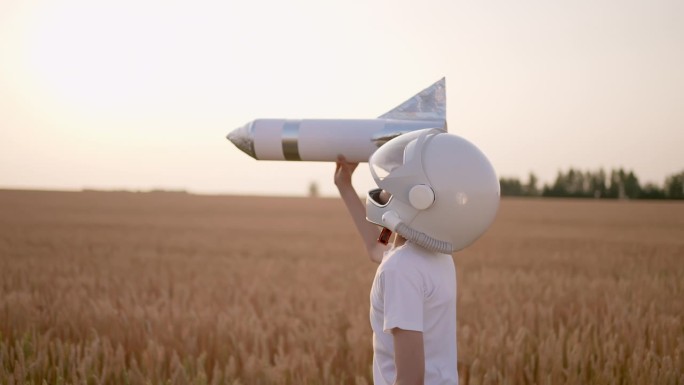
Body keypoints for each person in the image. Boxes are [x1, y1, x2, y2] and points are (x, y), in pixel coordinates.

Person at [334, 128, 500, 385]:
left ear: (420, 199)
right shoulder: (434, 255)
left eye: (395, 185)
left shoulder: (401, 270)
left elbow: (410, 379)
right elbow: (375, 249)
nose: (385, 188)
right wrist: (344, 185)